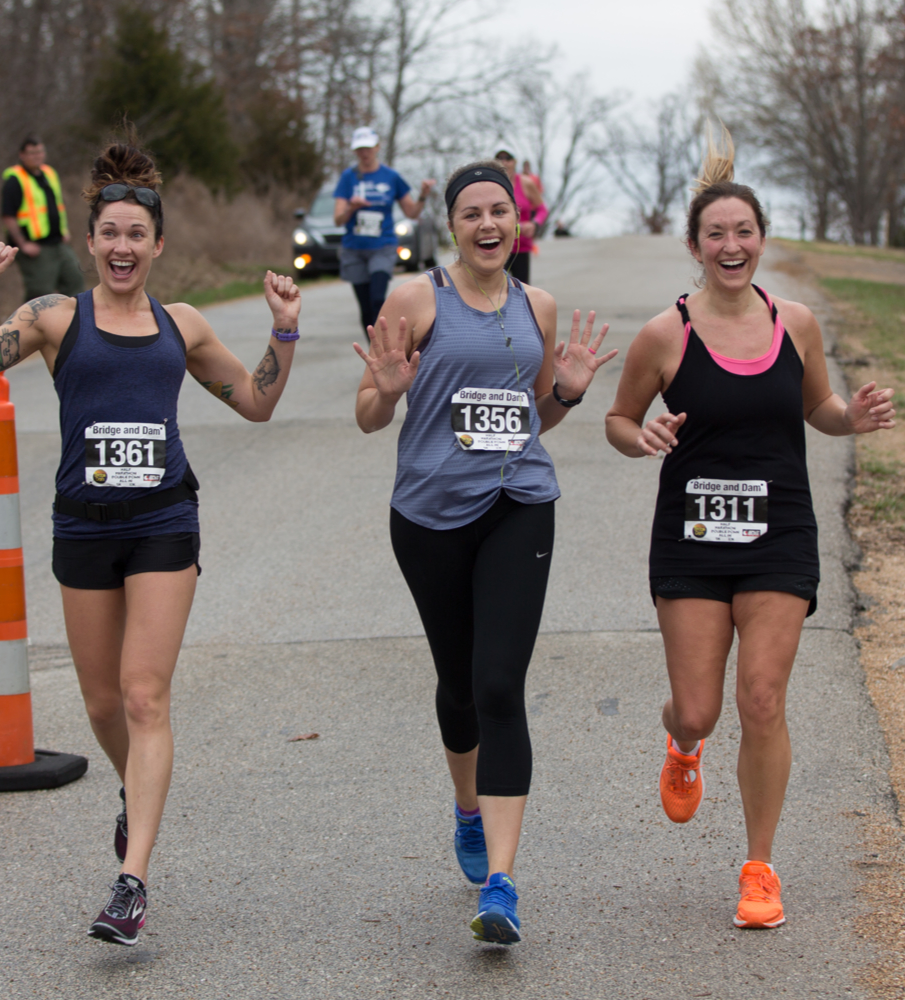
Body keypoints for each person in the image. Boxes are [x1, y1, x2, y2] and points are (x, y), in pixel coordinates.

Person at [0, 140, 302, 947]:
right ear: (91, 241)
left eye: (138, 234)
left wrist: (284, 331)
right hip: (83, 526)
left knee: (143, 697)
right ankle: (137, 793)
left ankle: (132, 881)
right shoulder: (54, 318)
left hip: (163, 524)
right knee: (103, 705)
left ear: (158, 244)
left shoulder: (182, 325)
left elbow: (256, 402)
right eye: (111, 233)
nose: (123, 246)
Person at [604, 127, 895, 929]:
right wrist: (642, 435)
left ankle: (760, 869)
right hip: (692, 540)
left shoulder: (795, 323)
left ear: (762, 239)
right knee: (699, 709)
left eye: (744, 232)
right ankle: (683, 744)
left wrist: (852, 418)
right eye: (716, 235)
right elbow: (619, 420)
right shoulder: (665, 334)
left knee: (762, 698)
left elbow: (819, 407)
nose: (731, 246)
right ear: (694, 247)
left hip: (779, 533)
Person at [353, 159, 616, 944]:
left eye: (499, 210)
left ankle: (500, 883)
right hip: (430, 515)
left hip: (519, 504)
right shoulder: (415, 300)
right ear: (452, 227)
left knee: (499, 684)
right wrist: (387, 390)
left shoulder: (539, 305)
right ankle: (467, 808)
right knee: (459, 684)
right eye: (472, 213)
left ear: (518, 221)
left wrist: (565, 392)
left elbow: (534, 416)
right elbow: (369, 413)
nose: (488, 224)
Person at [334, 126, 434, 334]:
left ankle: (385, 343)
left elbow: (411, 213)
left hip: (382, 246)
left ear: (377, 147)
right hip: (355, 249)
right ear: (355, 151)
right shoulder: (348, 177)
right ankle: (374, 349)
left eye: (368, 148)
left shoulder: (391, 176)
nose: (364, 153)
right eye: (360, 149)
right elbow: (337, 219)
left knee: (377, 299)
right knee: (365, 307)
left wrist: (423, 195)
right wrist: (351, 208)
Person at [1, 135, 84, 300]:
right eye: (32, 153)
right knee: (40, 292)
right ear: (22, 155)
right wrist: (23, 244)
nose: (37, 156)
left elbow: (57, 205)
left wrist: (64, 231)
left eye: (39, 152)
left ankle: (77, 316)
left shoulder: (49, 173)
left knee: (75, 281)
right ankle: (30, 318)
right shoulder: (15, 180)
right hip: (36, 248)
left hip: (59, 243)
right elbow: (8, 216)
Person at [494, 150, 547, 284]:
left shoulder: (526, 183)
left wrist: (534, 224)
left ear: (515, 162)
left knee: (521, 289)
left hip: (520, 246)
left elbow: (542, 209)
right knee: (497, 289)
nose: (504, 162)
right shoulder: (490, 185)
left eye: (508, 158)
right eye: (499, 158)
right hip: (497, 245)